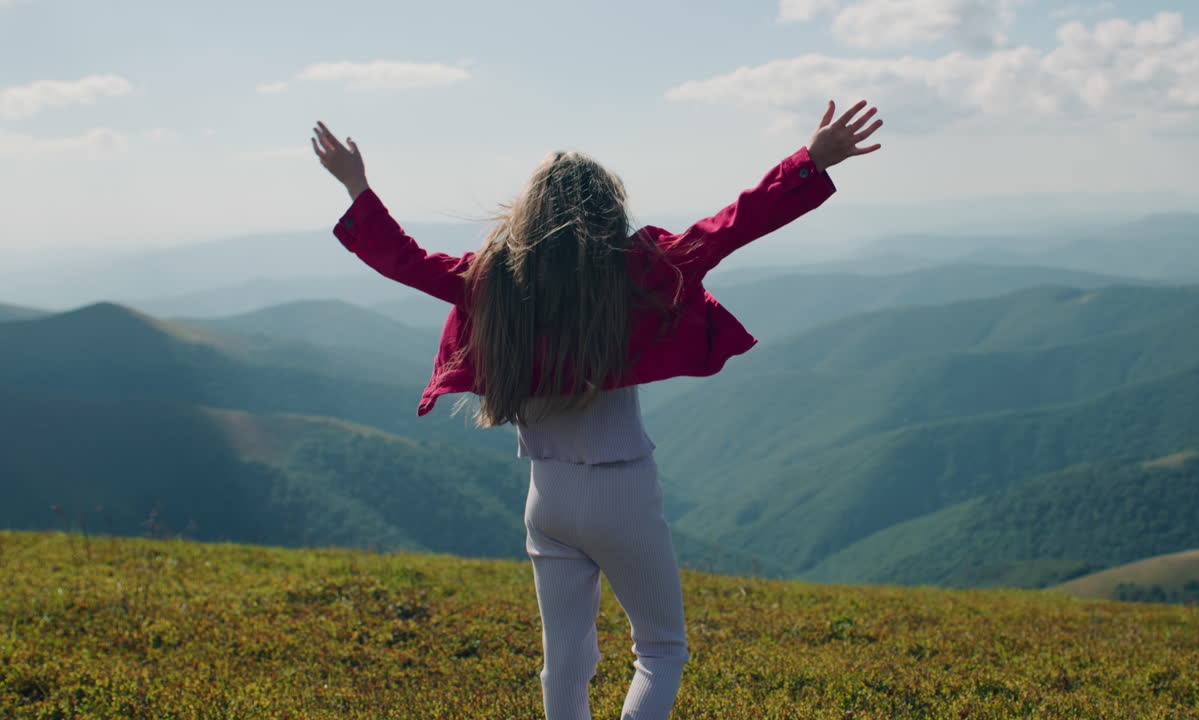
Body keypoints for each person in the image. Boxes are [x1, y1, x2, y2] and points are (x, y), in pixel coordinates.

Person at [310, 100, 883, 720]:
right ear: (609, 206)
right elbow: (732, 225)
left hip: (547, 497)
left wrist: (355, 186)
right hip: (621, 490)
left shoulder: (493, 280)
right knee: (661, 650)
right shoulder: (640, 271)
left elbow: (405, 259)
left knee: (566, 663)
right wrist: (809, 162)